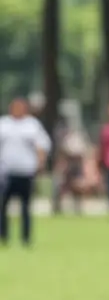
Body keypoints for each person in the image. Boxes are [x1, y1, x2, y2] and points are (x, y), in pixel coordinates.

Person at [0, 95, 51, 247]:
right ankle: (4, 236)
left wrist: (40, 162)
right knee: (3, 206)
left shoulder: (32, 125)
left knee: (25, 207)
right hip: (6, 172)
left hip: (26, 171)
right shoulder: (4, 124)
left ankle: (25, 238)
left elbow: (42, 144)